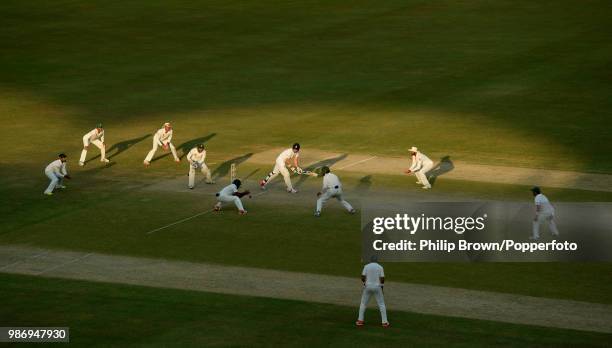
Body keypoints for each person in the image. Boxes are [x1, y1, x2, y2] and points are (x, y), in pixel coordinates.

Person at [356, 256, 389, 328]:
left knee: (363, 304)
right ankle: (384, 322)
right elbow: (382, 278)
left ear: (370, 260)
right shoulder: (380, 267)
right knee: (381, 304)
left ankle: (360, 321)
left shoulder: (366, 266)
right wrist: (382, 286)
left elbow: (362, 276)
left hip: (367, 287)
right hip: (377, 287)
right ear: (377, 260)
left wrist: (364, 283)